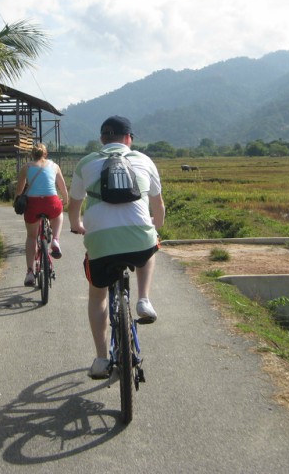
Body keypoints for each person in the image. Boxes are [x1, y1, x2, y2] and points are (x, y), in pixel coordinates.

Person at [68, 115, 165, 379]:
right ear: (129, 139)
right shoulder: (144, 160)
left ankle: (101, 359)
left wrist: (77, 225)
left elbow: (74, 205)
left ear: (102, 139)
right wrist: (155, 224)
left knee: (97, 296)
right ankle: (143, 300)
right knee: (150, 245)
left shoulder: (86, 162)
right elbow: (158, 207)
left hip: (100, 241)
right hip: (139, 239)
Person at [15, 143, 69, 286]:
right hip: (51, 201)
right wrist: (65, 200)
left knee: (31, 237)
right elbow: (62, 187)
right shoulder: (54, 166)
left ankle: (30, 273)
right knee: (59, 212)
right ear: (46, 154)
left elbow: (19, 190)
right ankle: (56, 240)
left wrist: (17, 200)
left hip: (33, 204)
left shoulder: (26, 168)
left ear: (32, 154)